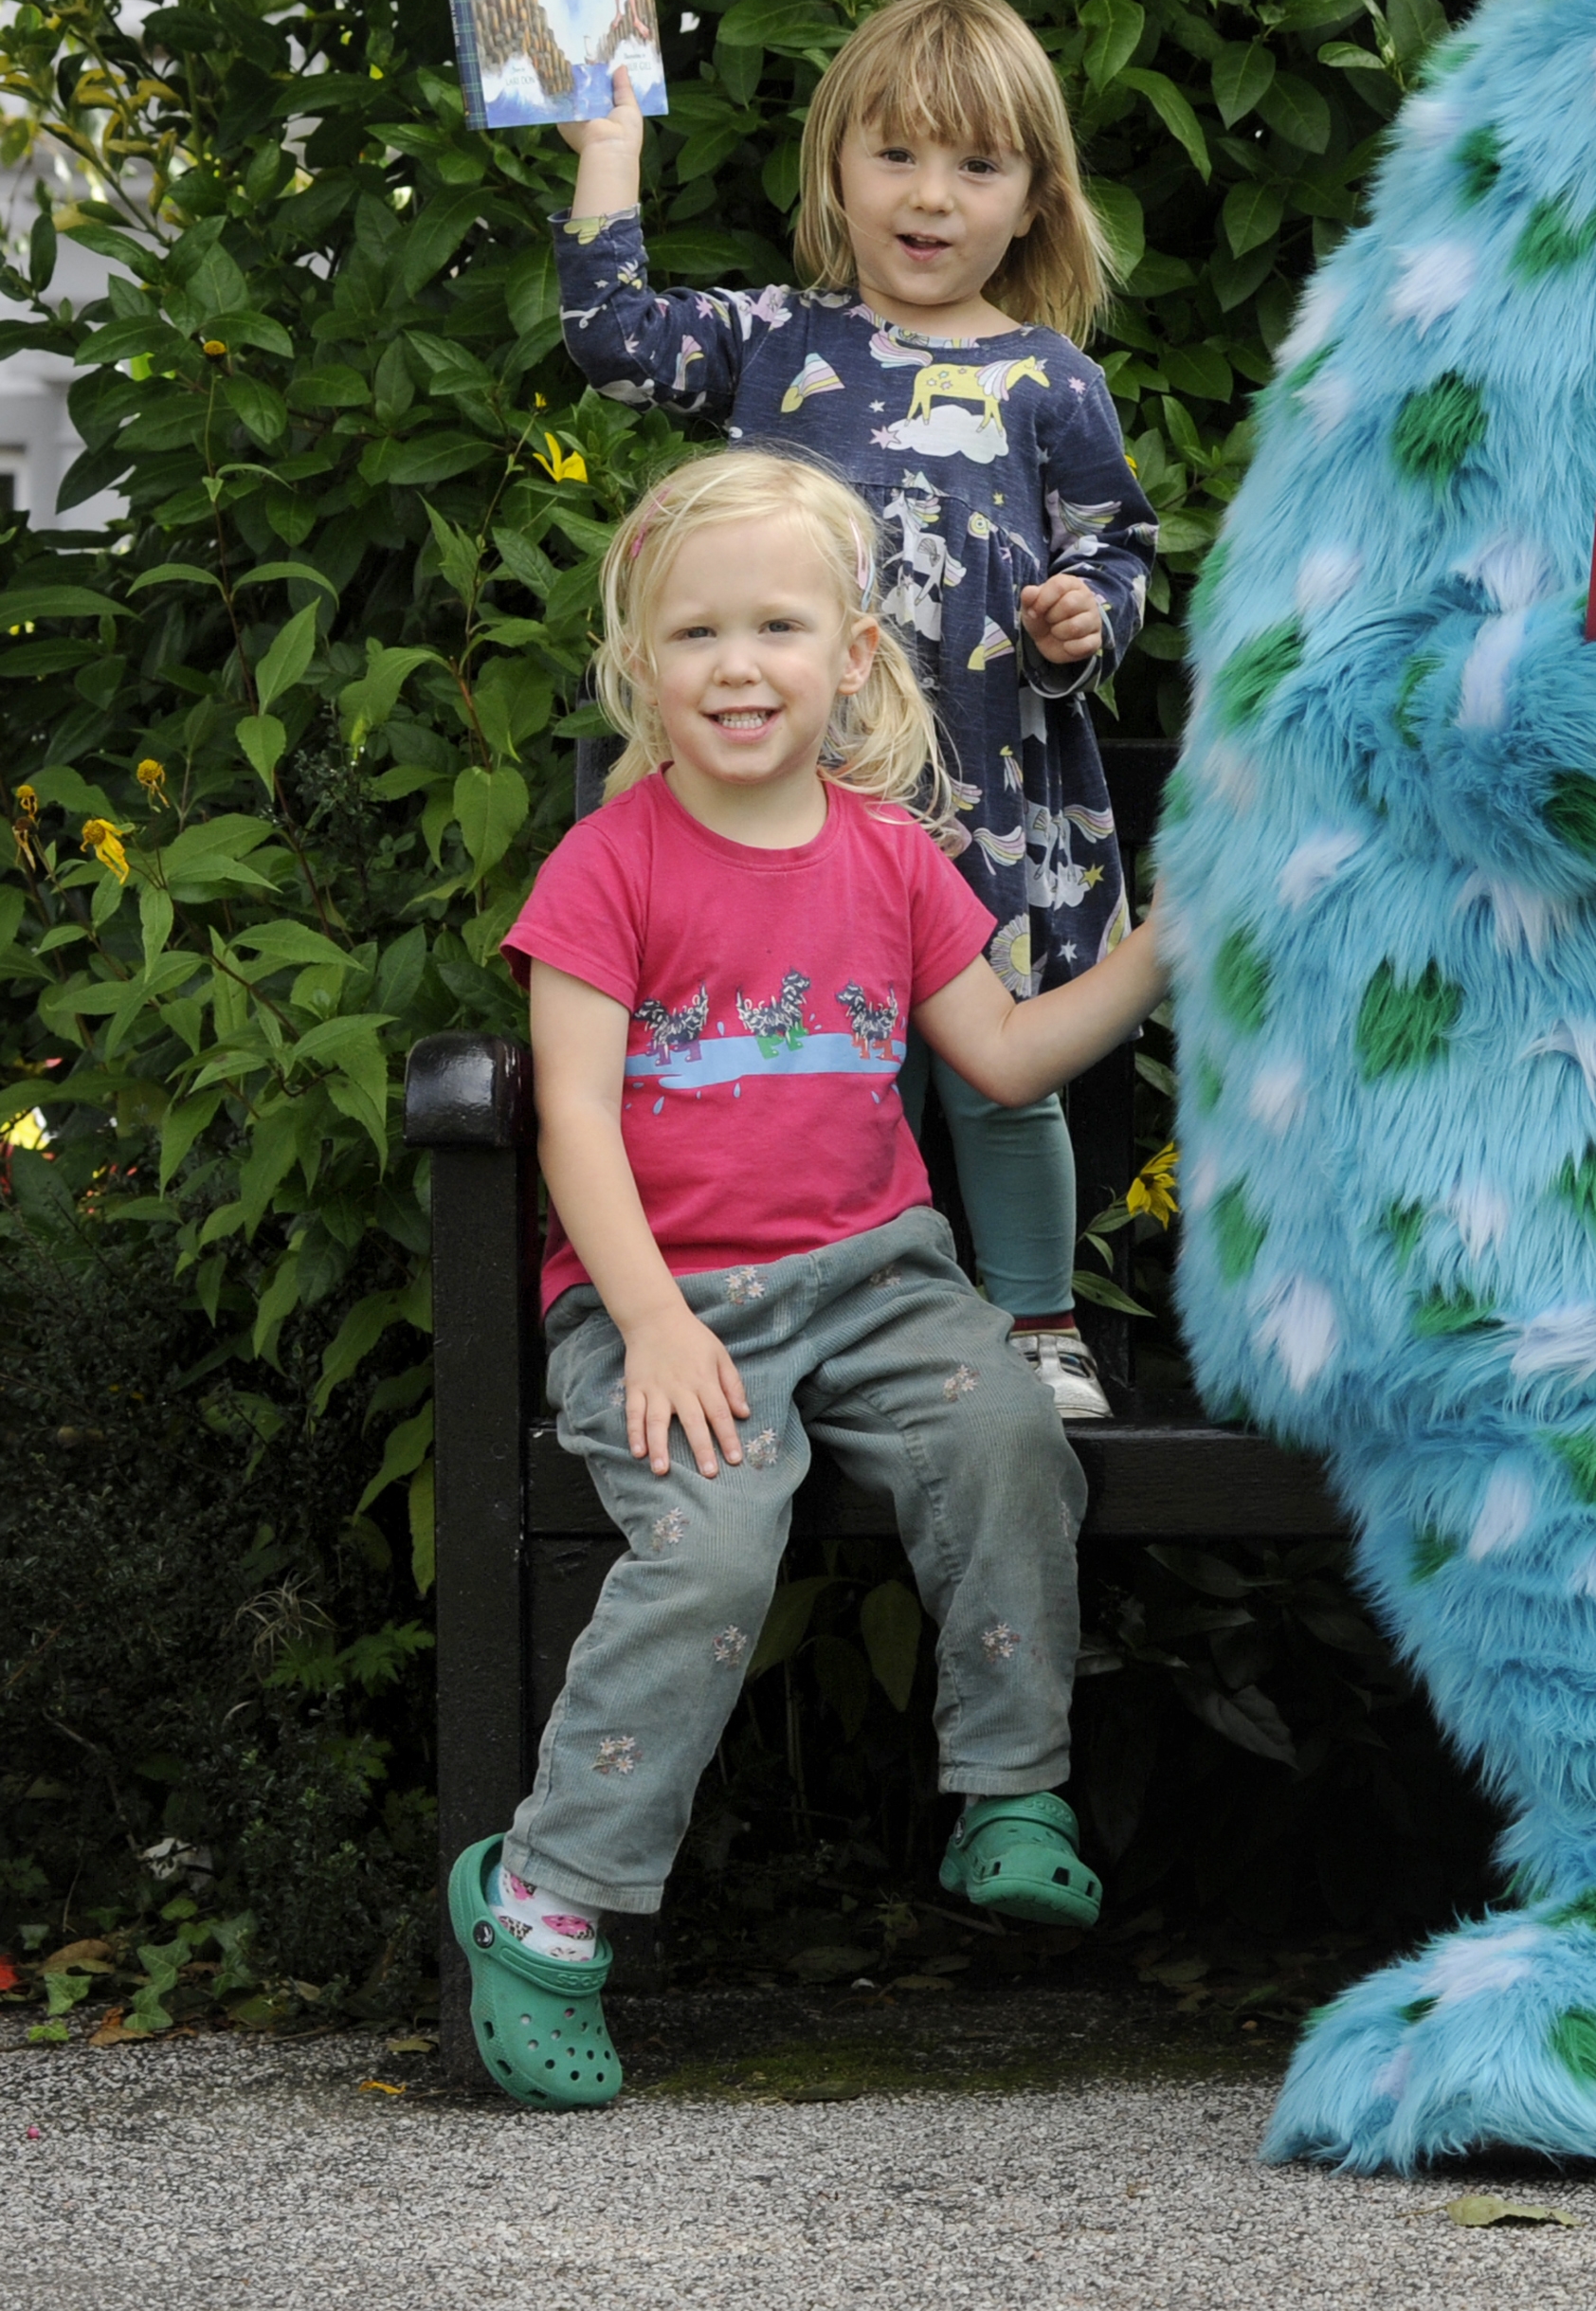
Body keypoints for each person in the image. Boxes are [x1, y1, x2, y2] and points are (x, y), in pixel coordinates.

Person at [453, 451, 1172, 2110]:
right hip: (672, 1298)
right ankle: (546, 1900)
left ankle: (1012, 1793)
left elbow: (999, 1061)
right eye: (694, 632)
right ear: (643, 665)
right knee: (707, 1556)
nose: (736, 664)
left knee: (1005, 1434)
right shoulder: (610, 867)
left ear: (852, 653)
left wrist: (1156, 954)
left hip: (880, 1279)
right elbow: (571, 1109)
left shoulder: (894, 858)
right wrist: (644, 1319)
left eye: (777, 625)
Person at [558, 0, 1158, 1419]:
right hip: (802, 805)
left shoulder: (1049, 382)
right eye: (896, 156)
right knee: (831, 1061)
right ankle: (831, 1306)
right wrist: (610, 147)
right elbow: (614, 340)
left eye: (977, 167)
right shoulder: (776, 340)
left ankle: (1034, 1322)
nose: (932, 198)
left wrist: (1083, 616)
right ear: (834, 169)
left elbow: (1117, 546)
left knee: (1003, 1075)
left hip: (1000, 797)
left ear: (1035, 201)